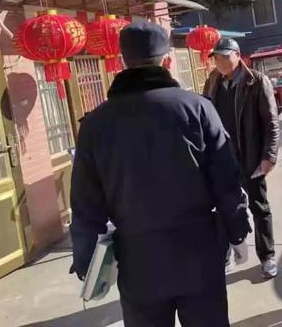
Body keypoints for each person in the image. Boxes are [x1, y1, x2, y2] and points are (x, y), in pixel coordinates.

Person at [69, 21, 250, 327]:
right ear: (166, 61)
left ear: (124, 61)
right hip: (199, 252)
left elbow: (85, 201)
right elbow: (226, 179)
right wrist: (237, 231)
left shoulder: (96, 124)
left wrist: (86, 256)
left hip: (139, 261)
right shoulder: (198, 108)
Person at [203, 38, 280, 279]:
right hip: (221, 159)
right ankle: (227, 254)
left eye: (225, 56)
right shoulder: (212, 81)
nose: (220, 62)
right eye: (216, 57)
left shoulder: (256, 81)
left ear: (238, 55)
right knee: (223, 208)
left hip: (250, 157)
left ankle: (267, 257)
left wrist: (269, 156)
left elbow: (271, 122)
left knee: (259, 207)